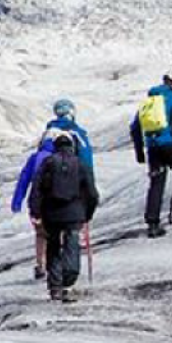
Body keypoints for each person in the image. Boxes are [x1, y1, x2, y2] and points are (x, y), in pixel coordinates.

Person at [130, 70, 172, 238]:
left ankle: (153, 223)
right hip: (171, 146)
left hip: (153, 149)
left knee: (157, 183)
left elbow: (135, 127)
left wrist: (139, 150)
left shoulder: (149, 100)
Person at [34, 131, 99, 302]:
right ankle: (68, 279)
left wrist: (36, 212)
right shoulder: (81, 164)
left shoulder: (48, 163)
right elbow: (91, 193)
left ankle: (55, 286)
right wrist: (88, 213)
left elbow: (37, 189)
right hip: (74, 212)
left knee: (53, 246)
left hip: (51, 213)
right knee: (72, 244)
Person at [41, 98, 95, 268]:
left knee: (53, 239)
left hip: (52, 194)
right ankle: (69, 273)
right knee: (72, 233)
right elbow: (86, 160)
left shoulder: (48, 134)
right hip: (75, 192)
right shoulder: (77, 133)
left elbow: (41, 163)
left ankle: (53, 277)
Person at [10, 133, 60, 280]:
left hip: (36, 200)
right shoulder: (60, 158)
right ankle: (57, 263)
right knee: (57, 233)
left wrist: (17, 201)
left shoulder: (35, 157)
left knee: (40, 234)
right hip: (56, 201)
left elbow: (24, 179)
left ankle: (41, 265)